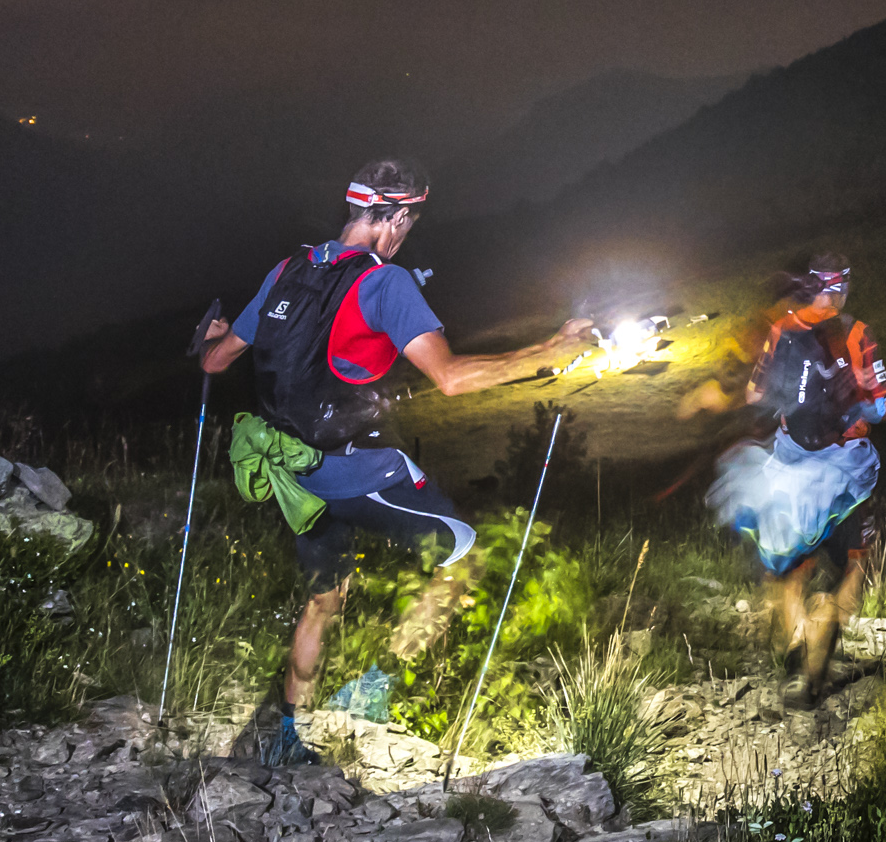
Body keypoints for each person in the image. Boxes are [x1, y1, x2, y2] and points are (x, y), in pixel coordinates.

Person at [196, 158, 596, 765]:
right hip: (356, 468)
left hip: (292, 473)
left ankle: (285, 733)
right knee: (466, 553)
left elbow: (215, 361)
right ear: (399, 217)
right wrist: (552, 348)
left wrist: (213, 334)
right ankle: (370, 694)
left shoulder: (287, 270)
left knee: (324, 598)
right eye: (411, 220)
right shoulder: (385, 283)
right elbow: (454, 378)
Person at [702, 256, 886, 707]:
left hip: (788, 465)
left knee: (791, 568)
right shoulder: (855, 334)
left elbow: (756, 395)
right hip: (843, 474)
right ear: (843, 289)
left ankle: (794, 650)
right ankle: (812, 674)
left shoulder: (782, 330)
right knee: (852, 567)